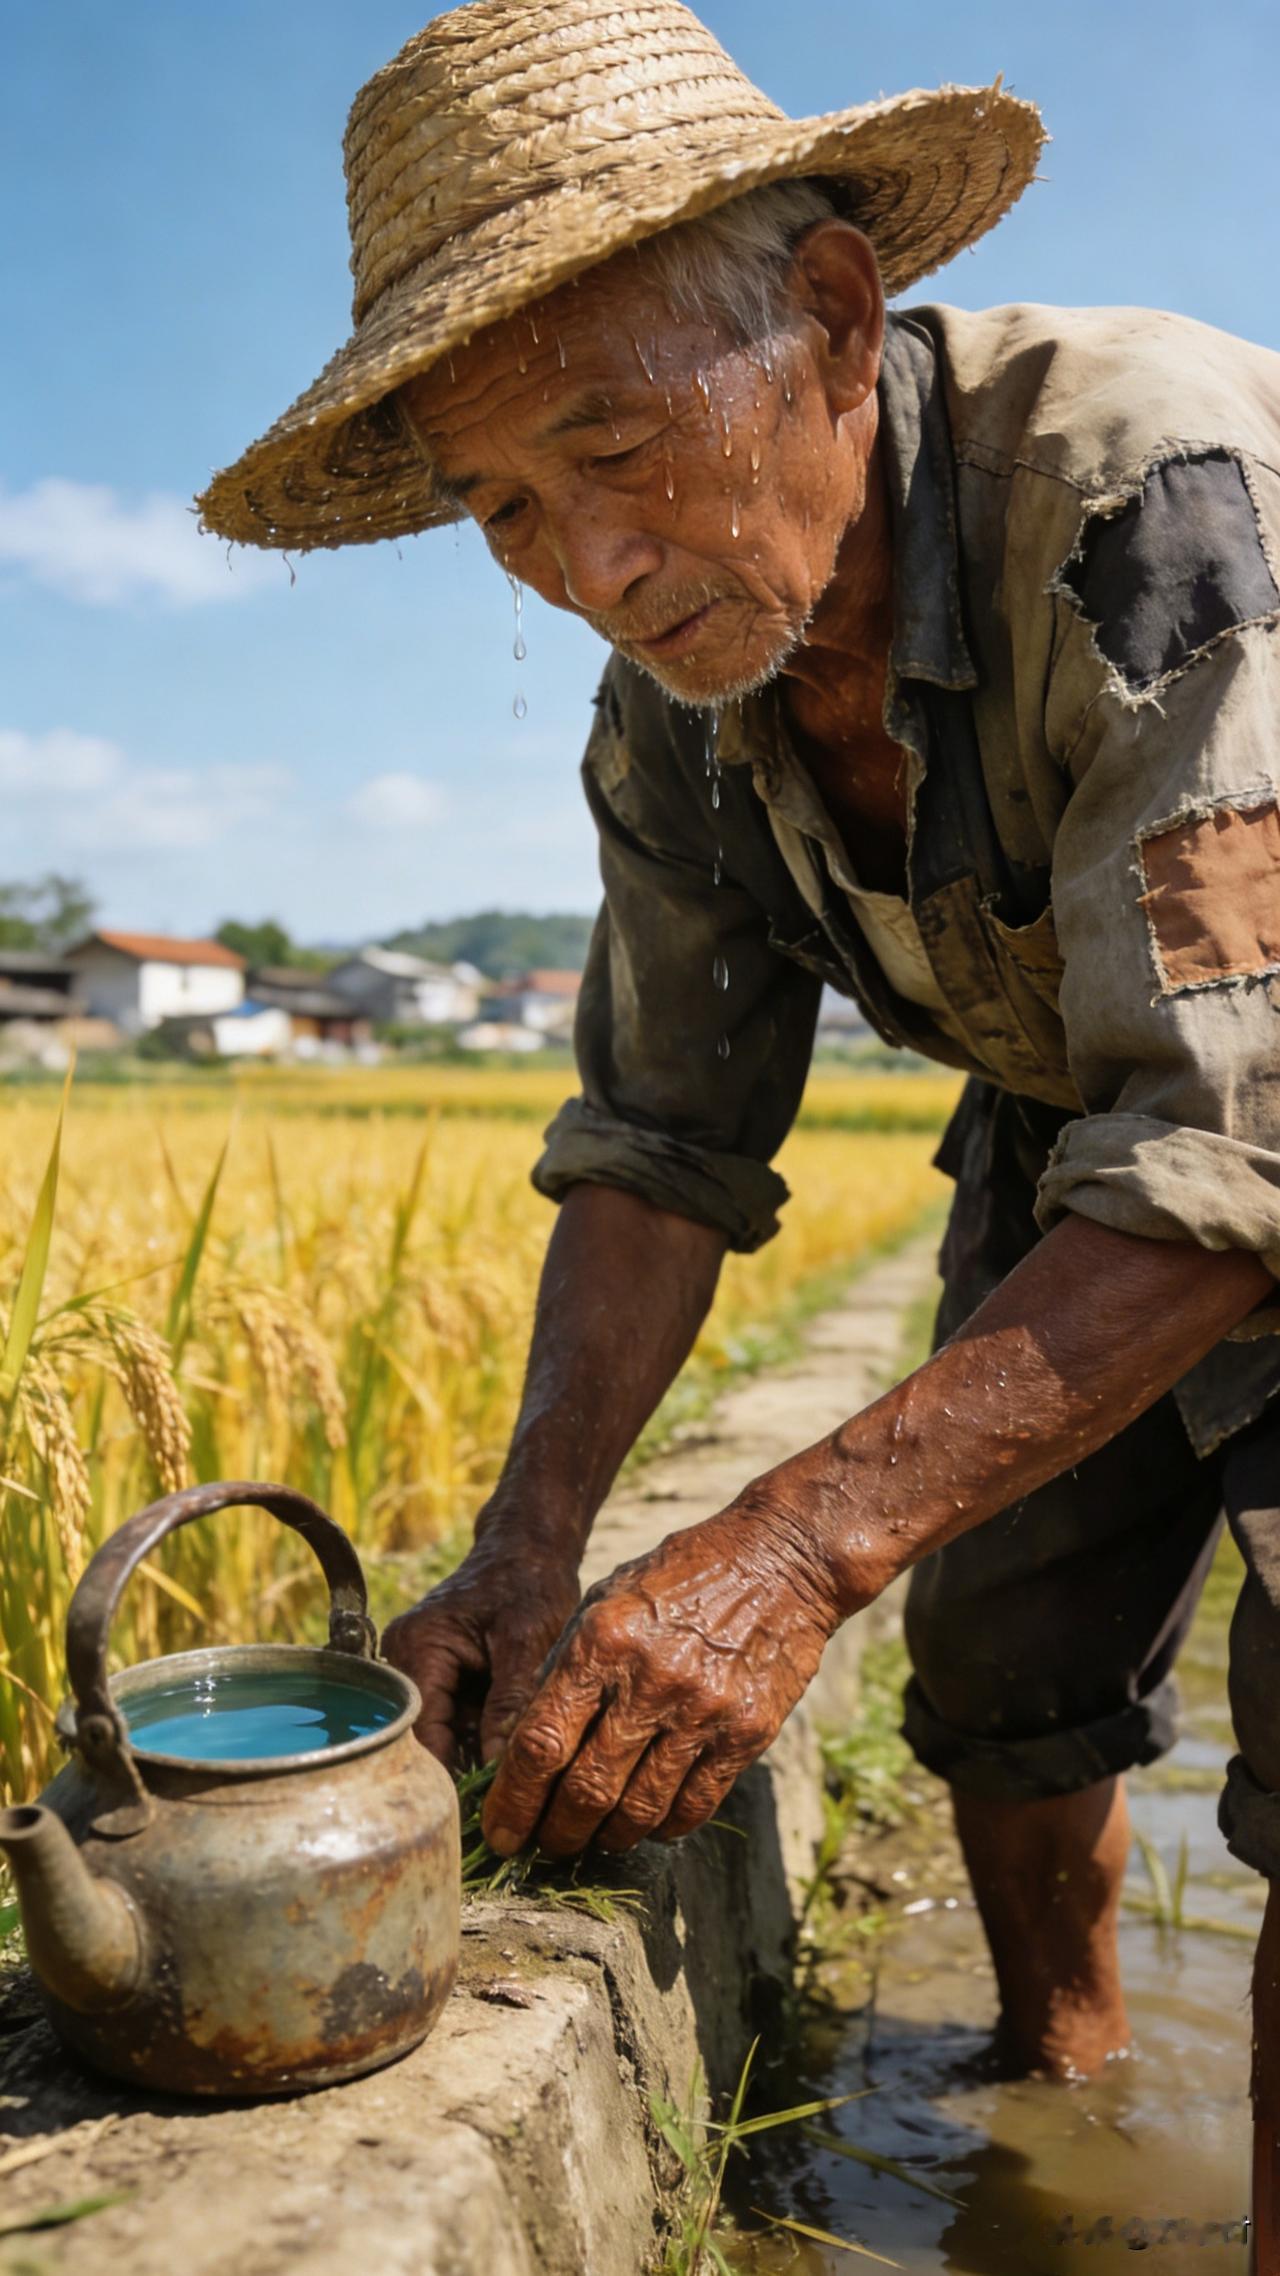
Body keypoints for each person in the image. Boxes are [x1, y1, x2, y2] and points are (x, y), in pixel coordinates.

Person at [198, 0, 1280, 2254]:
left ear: (826, 316)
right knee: (991, 1641)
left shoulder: (1143, 487)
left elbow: (1238, 1135)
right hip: (1077, 1129)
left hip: (1244, 1108)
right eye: (508, 506)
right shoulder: (677, 714)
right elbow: (658, 1139)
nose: (587, 562)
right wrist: (527, 1546)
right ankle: (1055, 2096)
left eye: (615, 446)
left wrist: (786, 1550)